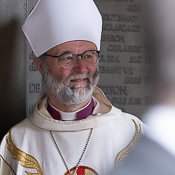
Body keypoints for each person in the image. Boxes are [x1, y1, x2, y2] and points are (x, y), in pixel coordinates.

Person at [0, 0, 147, 174]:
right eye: (67, 57)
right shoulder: (18, 144)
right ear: (40, 66)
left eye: (89, 55)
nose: (82, 68)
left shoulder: (135, 135)